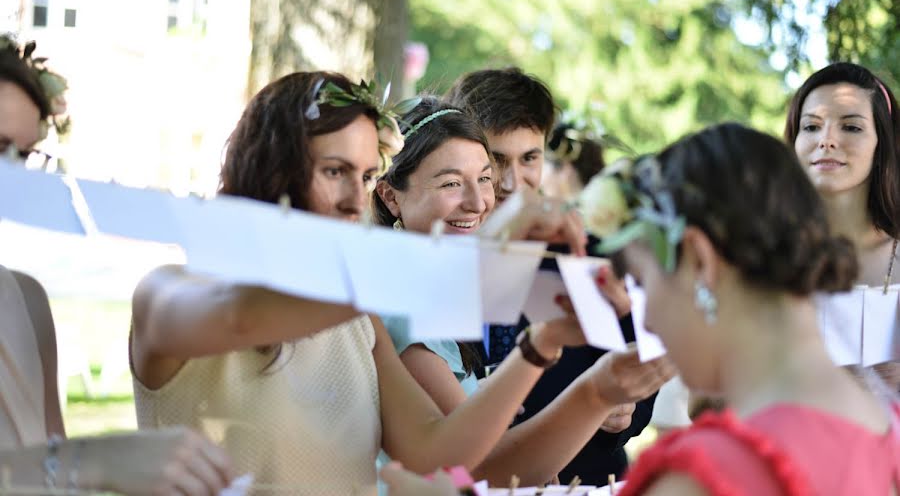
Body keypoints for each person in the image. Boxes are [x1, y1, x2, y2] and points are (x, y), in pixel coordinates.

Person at [130, 71, 599, 494]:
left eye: (369, 175)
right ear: (271, 169)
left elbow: (439, 455)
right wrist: (486, 251)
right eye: (336, 172)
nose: (357, 198)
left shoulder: (360, 318)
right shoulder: (168, 291)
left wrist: (559, 356)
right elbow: (240, 318)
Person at [373, 99, 674, 485]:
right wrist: (593, 390)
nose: (479, 201)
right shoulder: (399, 304)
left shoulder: (435, 293)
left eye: (484, 178)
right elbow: (479, 465)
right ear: (390, 196)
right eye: (450, 183)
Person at [592, 123, 899, 494]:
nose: (648, 321)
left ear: (699, 260)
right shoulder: (886, 429)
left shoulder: (703, 477)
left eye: (643, 283)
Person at [0, 34, 235, 495]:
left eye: (23, 155)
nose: (12, 175)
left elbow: (53, 470)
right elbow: (64, 465)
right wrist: (96, 459)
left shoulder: (26, 301)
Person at [445, 68, 660, 484]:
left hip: (585, 479)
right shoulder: (444, 253)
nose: (511, 182)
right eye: (496, 159)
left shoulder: (586, 250)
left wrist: (627, 411)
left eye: (530, 158)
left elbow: (635, 352)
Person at [784, 62, 900, 385]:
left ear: (882, 144)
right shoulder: (763, 258)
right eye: (811, 127)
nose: (826, 140)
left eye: (851, 127)